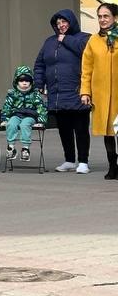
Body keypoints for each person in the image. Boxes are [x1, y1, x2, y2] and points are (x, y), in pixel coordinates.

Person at [34, 10, 92, 174]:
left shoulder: (84, 38)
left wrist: (66, 40)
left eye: (64, 22)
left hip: (78, 92)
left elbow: (85, 51)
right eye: (58, 23)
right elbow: (40, 64)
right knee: (64, 129)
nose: (61, 25)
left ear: (71, 22)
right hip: (57, 94)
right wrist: (39, 82)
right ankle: (69, 160)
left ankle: (83, 162)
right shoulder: (49, 42)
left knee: (80, 129)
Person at [80, 2, 118, 180]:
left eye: (106, 16)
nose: (102, 20)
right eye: (100, 16)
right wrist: (85, 92)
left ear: (115, 18)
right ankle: (112, 166)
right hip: (102, 95)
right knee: (107, 131)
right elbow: (86, 68)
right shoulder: (93, 41)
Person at [0, 66, 48, 163]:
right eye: (22, 81)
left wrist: (42, 118)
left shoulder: (35, 94)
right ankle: (11, 147)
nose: (24, 83)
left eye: (27, 81)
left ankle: (25, 148)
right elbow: (7, 106)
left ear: (31, 82)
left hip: (30, 116)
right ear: (17, 82)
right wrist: (5, 117)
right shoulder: (13, 93)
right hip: (16, 114)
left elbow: (40, 106)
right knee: (11, 124)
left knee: (24, 125)